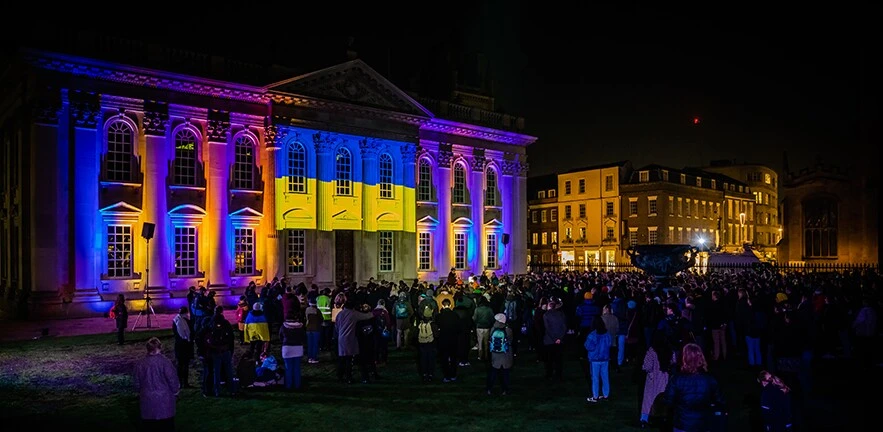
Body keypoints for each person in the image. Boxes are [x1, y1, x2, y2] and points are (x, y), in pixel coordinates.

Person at [663, 343, 726, 432]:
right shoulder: (709, 379)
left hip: (683, 424)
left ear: (684, 358)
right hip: (703, 424)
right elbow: (720, 401)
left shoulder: (677, 379)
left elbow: (668, 401)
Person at [133, 337, 179, 431]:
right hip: (165, 400)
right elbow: (172, 379)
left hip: (147, 399)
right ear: (160, 347)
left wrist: (139, 392)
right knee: (166, 426)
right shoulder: (165, 362)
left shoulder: (140, 363)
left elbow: (137, 382)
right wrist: (176, 391)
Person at [640, 333, 675, 428]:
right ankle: (663, 418)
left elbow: (647, 366)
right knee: (663, 399)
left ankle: (645, 420)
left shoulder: (651, 351)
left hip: (652, 379)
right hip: (665, 378)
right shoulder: (669, 350)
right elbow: (674, 361)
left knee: (648, 400)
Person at [585, 315, 613, 403]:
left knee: (595, 378)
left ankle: (595, 396)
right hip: (605, 359)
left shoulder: (592, 335)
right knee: (605, 377)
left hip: (595, 360)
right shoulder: (607, 334)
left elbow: (588, 346)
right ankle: (606, 395)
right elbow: (610, 344)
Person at [486, 313, 514, 395]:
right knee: (505, 373)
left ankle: (489, 389)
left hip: (495, 355)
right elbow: (510, 341)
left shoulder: (492, 329)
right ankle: (505, 390)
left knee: (493, 372)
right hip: (505, 354)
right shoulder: (508, 330)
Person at [279, 314, 306, 390]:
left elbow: (280, 337)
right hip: (298, 348)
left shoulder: (283, 327)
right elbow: (304, 337)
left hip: (287, 348)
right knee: (297, 368)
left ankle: (288, 385)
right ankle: (297, 385)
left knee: (288, 368)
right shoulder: (300, 327)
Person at [543, 298, 567, 381]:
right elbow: (564, 327)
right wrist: (560, 338)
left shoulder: (546, 315)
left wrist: (555, 338)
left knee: (549, 359)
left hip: (549, 340)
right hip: (559, 340)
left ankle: (549, 374)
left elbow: (548, 328)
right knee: (558, 359)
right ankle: (559, 374)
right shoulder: (561, 314)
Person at [171, 306, 193, 388]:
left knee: (181, 364)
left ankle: (182, 382)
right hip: (183, 345)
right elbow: (184, 334)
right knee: (183, 365)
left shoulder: (177, 320)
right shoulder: (182, 321)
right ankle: (183, 383)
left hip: (180, 345)